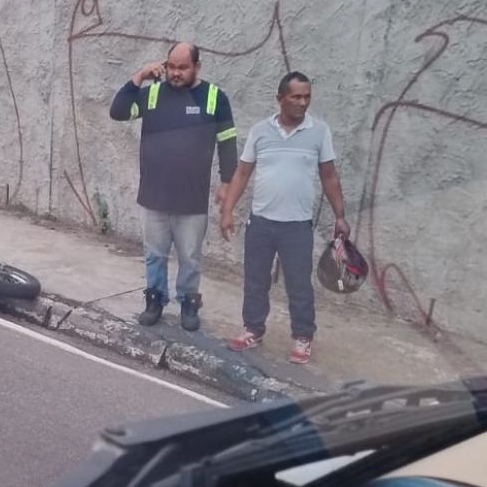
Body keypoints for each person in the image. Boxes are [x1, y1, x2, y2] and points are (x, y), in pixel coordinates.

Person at [218, 71, 349, 364]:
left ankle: (303, 337)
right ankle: (253, 328)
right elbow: (242, 173)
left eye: (307, 97)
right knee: (255, 280)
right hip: (261, 221)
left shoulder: (319, 132)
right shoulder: (260, 131)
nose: (303, 103)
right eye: (296, 97)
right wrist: (227, 211)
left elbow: (329, 176)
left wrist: (340, 216)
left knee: (299, 284)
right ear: (280, 99)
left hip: (297, 226)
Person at [110, 42, 239, 330]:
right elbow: (117, 112)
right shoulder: (153, 94)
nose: (176, 73)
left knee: (190, 258)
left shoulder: (214, 98)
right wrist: (140, 75)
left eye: (183, 67)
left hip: (191, 200)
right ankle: (155, 301)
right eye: (172, 67)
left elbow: (228, 142)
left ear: (197, 67)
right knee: (154, 254)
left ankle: (188, 304)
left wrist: (228, 182)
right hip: (154, 197)